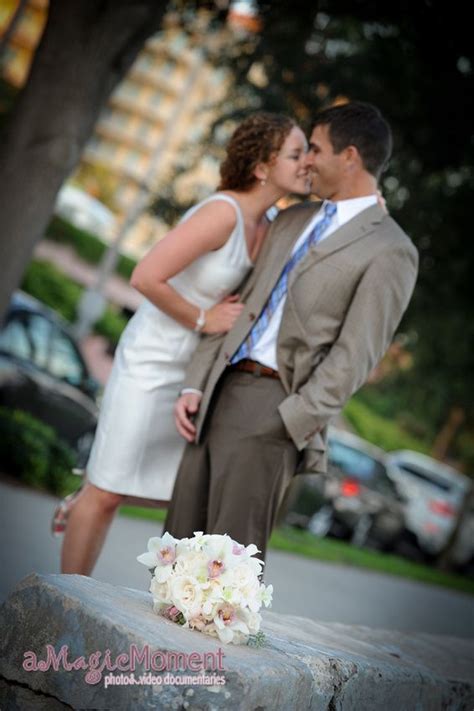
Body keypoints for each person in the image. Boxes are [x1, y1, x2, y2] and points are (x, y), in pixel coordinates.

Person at [56, 112, 311, 575]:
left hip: (192, 372)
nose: (306, 162)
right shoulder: (222, 214)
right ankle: (64, 599)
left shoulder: (272, 224)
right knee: (109, 492)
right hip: (150, 361)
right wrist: (204, 317)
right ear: (262, 167)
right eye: (296, 154)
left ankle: (85, 496)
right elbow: (145, 276)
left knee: (165, 487)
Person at [164, 101, 419, 562]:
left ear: (350, 157)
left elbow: (355, 355)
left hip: (275, 405)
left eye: (315, 149)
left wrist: (292, 420)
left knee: (226, 571)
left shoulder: (391, 250)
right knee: (176, 550)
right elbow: (236, 306)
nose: (306, 161)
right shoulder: (292, 218)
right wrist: (194, 382)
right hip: (217, 392)